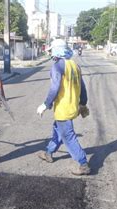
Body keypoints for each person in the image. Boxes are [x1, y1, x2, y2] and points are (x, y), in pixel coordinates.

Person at [37, 39, 91, 175]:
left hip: (63, 108)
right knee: (58, 129)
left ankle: (83, 163)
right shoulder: (75, 65)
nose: (51, 54)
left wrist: (45, 104)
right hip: (72, 107)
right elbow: (83, 88)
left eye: (52, 50)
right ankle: (48, 152)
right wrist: (82, 103)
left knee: (68, 136)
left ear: (56, 50)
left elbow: (54, 88)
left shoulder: (57, 66)